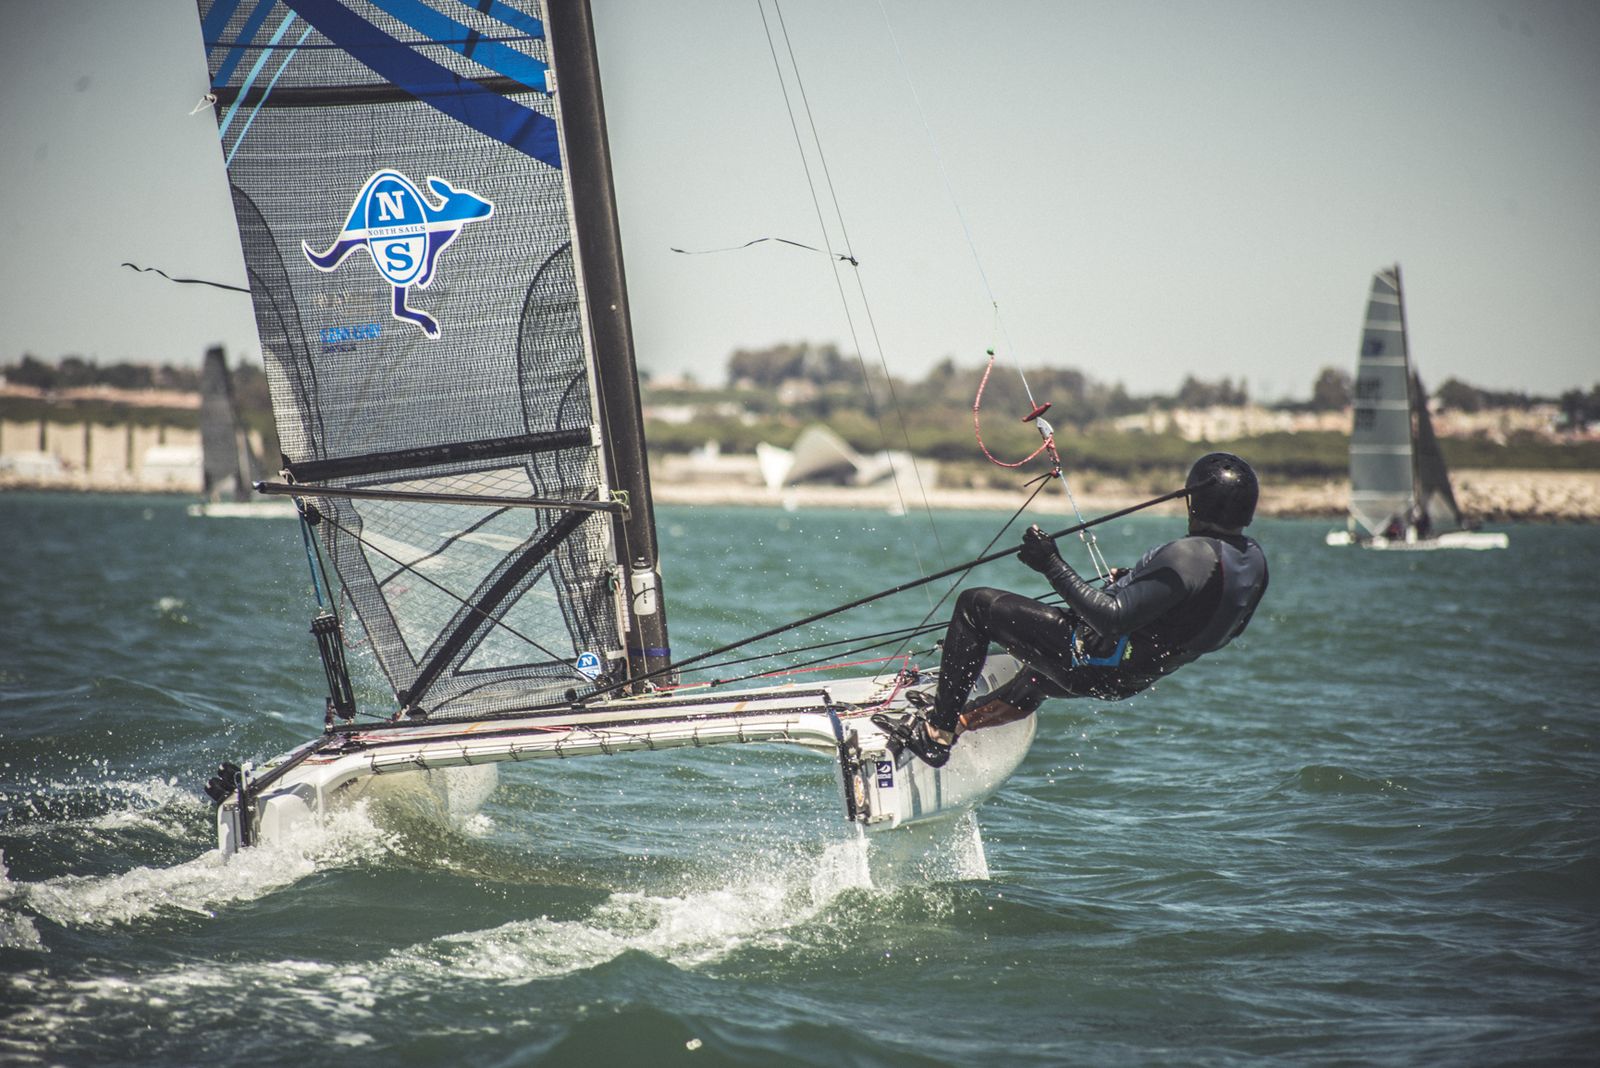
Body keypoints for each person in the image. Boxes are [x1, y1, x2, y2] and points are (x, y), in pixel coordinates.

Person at [878, 452, 1270, 767]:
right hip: (1129, 680)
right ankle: (964, 720)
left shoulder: (1190, 555)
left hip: (1093, 661)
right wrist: (1138, 585)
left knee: (975, 606)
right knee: (1034, 677)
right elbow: (1201, 617)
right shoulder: (1253, 562)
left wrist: (1050, 562)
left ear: (1191, 500)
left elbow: (1112, 619)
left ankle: (937, 733)